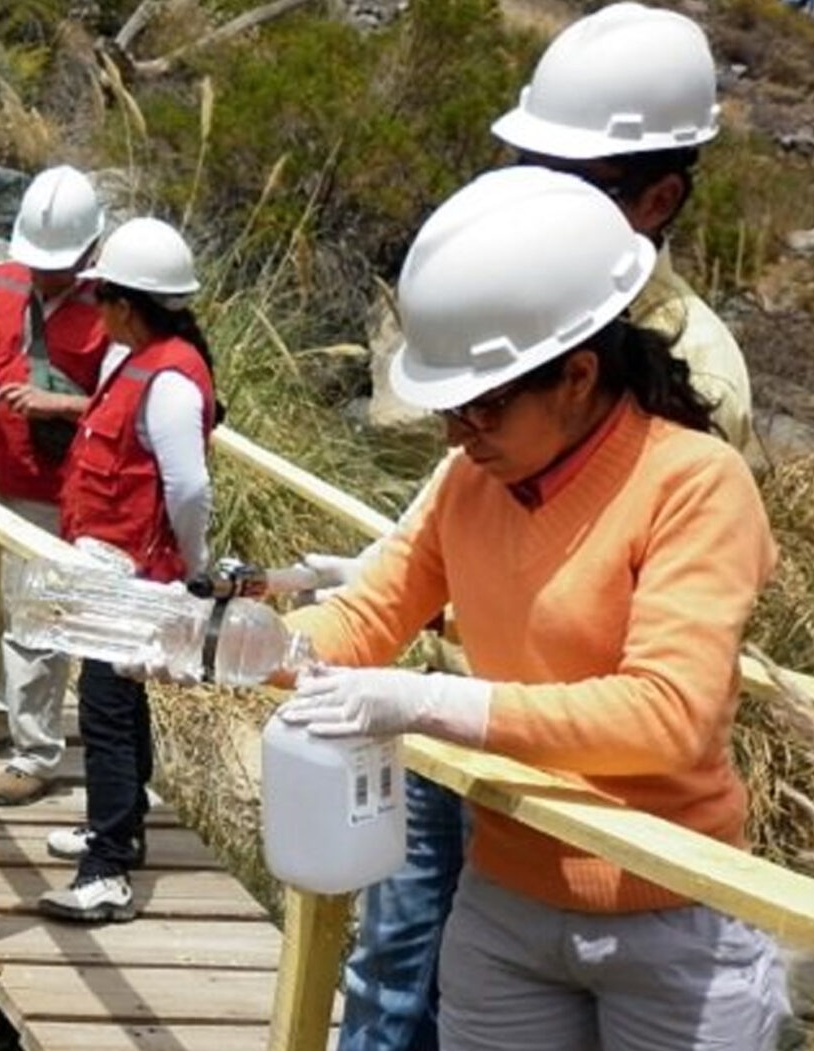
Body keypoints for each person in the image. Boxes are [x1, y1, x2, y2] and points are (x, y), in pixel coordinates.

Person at [319, 8, 759, 1048]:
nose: (458, 434)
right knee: (390, 969)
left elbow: (667, 710)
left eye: (481, 409)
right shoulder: (473, 468)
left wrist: (428, 696)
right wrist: (214, 642)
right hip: (506, 866)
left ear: (576, 375)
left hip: (655, 896)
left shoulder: (689, 463)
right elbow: (366, 614)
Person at [38, 216, 221, 923]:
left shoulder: (170, 379)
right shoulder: (138, 360)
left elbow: (189, 488)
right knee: (117, 702)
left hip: (136, 578)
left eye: (102, 298)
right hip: (108, 570)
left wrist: (193, 569)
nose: (94, 310)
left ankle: (107, 867)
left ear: (125, 303)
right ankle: (119, 823)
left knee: (105, 713)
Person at [0, 164, 111, 806]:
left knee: (35, 623)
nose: (47, 272)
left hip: (49, 494)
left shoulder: (113, 313)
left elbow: (125, 407)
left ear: (91, 250)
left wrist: (54, 406)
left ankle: (36, 752)